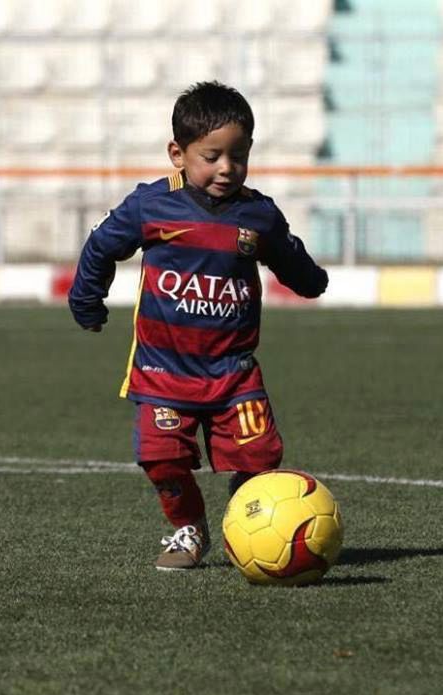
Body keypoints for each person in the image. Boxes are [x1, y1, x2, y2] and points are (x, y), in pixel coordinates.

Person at [68, 81, 328, 571]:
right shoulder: (151, 206)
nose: (227, 168)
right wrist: (87, 300)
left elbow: (290, 258)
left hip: (233, 372)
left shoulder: (258, 214)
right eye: (212, 156)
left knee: (260, 460)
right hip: (163, 371)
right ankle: (188, 528)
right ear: (178, 153)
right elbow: (102, 245)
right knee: (161, 458)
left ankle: (248, 518)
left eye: (239, 156)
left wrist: (311, 281)